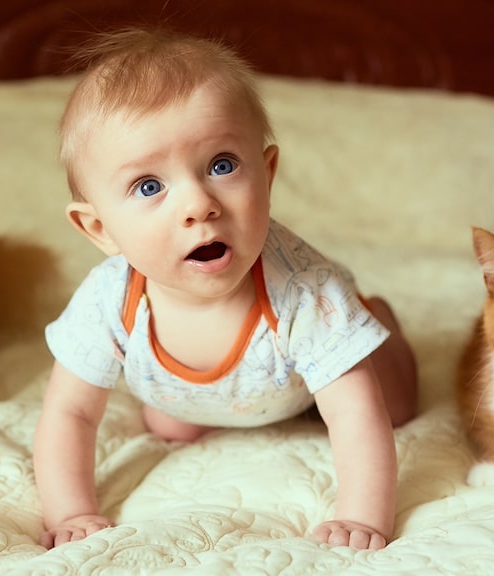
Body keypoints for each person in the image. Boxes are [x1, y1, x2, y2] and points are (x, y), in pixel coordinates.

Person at [33, 29, 418, 551]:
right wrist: (72, 512)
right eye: (150, 186)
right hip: (194, 397)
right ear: (99, 230)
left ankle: (377, 319)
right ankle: (201, 403)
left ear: (268, 172)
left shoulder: (304, 291)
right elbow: (70, 412)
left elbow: (353, 416)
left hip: (299, 382)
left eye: (222, 165)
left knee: (391, 405)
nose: (199, 203)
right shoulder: (108, 300)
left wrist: (362, 517)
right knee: (169, 424)